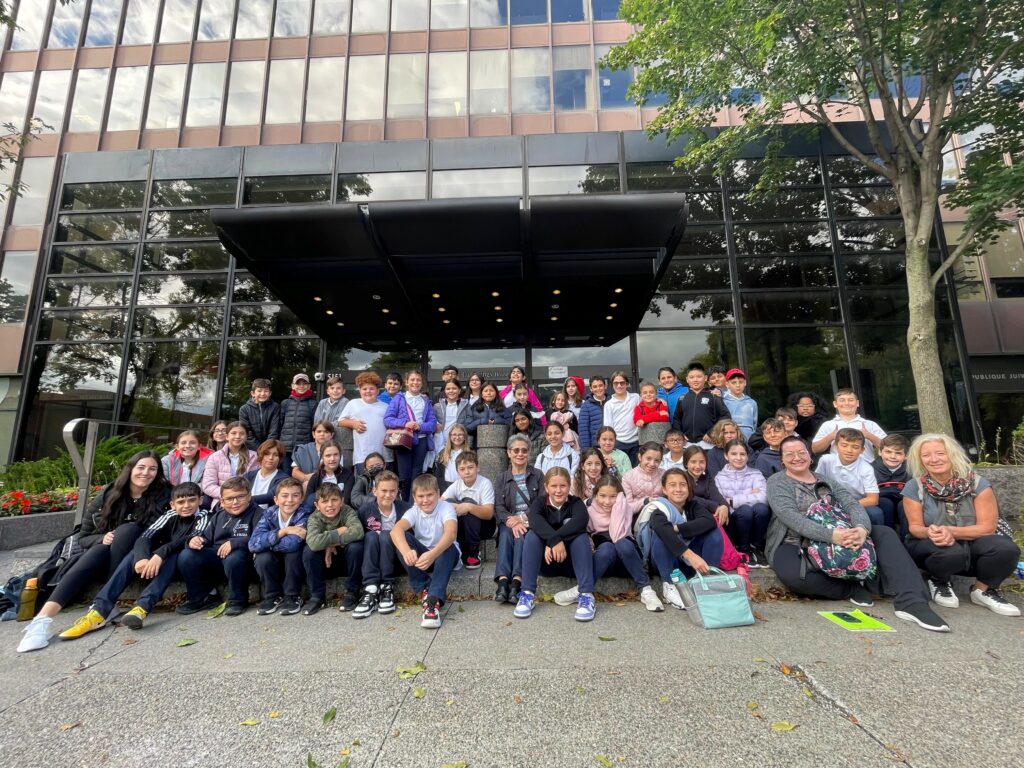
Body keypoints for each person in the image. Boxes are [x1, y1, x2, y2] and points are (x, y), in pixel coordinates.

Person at [766, 435, 949, 632]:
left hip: (844, 532)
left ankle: (913, 602)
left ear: (810, 456)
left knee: (885, 533)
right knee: (794, 577)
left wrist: (861, 529)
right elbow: (790, 516)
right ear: (782, 459)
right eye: (789, 454)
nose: (796, 457)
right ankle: (851, 588)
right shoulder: (777, 481)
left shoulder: (826, 480)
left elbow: (852, 504)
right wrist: (832, 536)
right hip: (795, 540)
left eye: (801, 452)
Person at [17, 453, 172, 652]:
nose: (146, 473)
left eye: (152, 469)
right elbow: (83, 537)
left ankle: (104, 604)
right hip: (103, 558)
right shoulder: (110, 494)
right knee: (98, 550)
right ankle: (42, 622)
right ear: (131, 468)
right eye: (141, 467)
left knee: (127, 530)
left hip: (138, 559)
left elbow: (159, 533)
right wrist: (103, 538)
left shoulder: (164, 495)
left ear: (158, 473)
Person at [55, 482, 210, 641]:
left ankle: (142, 607)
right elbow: (146, 536)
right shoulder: (169, 515)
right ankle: (98, 612)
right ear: (172, 504)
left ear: (200, 500)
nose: (186, 505)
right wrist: (142, 557)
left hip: (182, 564)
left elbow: (189, 538)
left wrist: (159, 554)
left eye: (191, 500)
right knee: (132, 555)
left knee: (174, 554)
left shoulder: (205, 515)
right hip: (158, 561)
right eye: (181, 502)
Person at [902, 433, 1021, 617]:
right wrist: (930, 531)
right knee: (949, 550)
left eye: (940, 453)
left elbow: (987, 528)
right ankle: (939, 581)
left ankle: (983, 590)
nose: (934, 459)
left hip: (973, 543)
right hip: (933, 544)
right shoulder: (914, 487)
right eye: (926, 455)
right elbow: (915, 528)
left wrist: (951, 531)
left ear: (952, 454)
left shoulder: (978, 484)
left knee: (1006, 549)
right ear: (920, 460)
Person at [554, 475, 664, 612]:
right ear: (595, 495)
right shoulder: (589, 512)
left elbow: (617, 535)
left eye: (613, 496)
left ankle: (646, 589)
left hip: (628, 560)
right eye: (602, 496)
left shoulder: (624, 508)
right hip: (605, 561)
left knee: (622, 544)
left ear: (619, 496)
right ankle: (584, 588)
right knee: (607, 548)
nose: (607, 501)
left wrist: (619, 504)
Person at [513, 468, 597, 622]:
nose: (558, 490)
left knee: (581, 537)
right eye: (554, 486)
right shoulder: (539, 503)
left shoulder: (576, 503)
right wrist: (553, 541)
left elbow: (580, 521)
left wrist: (554, 541)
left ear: (569, 486)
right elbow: (535, 521)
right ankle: (527, 594)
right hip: (546, 563)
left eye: (563, 486)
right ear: (546, 487)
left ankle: (586, 595)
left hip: (572, 563)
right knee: (532, 535)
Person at [634, 468, 723, 610]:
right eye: (672, 485)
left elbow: (709, 521)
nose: (678, 489)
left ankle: (708, 580)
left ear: (688, 487)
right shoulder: (658, 508)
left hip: (691, 566)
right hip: (665, 563)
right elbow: (661, 529)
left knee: (714, 533)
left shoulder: (692, 505)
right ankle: (668, 586)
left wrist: (677, 528)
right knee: (661, 535)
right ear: (664, 489)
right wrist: (690, 555)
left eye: (682, 484)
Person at [176, 476, 261, 617]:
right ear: (222, 501)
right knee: (187, 555)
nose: (235, 502)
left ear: (249, 497)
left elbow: (261, 538)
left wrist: (236, 542)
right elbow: (206, 538)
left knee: (235, 557)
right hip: (218, 559)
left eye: (240, 497)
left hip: (243, 561)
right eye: (229, 499)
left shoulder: (258, 513)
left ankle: (237, 601)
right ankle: (201, 597)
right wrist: (195, 540)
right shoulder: (218, 516)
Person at [391, 473, 461, 629]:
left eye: (430, 495)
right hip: (425, 559)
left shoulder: (446, 508)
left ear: (437, 493)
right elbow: (395, 530)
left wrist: (433, 554)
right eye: (421, 496)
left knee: (448, 545)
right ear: (414, 498)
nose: (425, 500)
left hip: (445, 556)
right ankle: (424, 587)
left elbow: (451, 533)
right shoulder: (414, 510)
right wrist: (406, 551)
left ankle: (432, 601)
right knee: (403, 541)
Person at [493, 435, 545, 603]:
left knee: (522, 536)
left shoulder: (537, 475)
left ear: (528, 453)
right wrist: (511, 520)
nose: (520, 454)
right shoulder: (502, 478)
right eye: (516, 450)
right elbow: (499, 507)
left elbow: (542, 503)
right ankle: (502, 582)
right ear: (509, 453)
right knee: (506, 534)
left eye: (524, 450)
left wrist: (522, 518)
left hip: (532, 520)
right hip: (509, 521)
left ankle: (517, 581)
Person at [249, 477, 311, 617]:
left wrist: (265, 545)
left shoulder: (305, 514)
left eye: (295, 496)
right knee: (262, 557)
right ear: (276, 500)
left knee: (293, 553)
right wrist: (284, 531)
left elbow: (292, 544)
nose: (289, 500)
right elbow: (253, 544)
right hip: (274, 560)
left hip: (294, 560)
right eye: (285, 496)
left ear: (301, 499)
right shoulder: (269, 514)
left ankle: (293, 596)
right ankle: (273, 596)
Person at [353, 470, 408, 618]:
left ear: (397, 491)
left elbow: (411, 536)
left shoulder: (405, 509)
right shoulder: (365, 510)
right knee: (370, 536)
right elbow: (357, 533)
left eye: (392, 491)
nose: (388, 495)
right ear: (374, 491)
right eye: (384, 490)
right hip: (373, 560)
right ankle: (370, 588)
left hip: (396, 558)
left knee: (385, 535)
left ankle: (386, 587)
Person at [305, 482, 364, 614]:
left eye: (334, 500)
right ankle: (317, 596)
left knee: (356, 547)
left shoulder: (347, 511)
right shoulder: (314, 518)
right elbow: (314, 542)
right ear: (317, 505)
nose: (330, 505)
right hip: (325, 565)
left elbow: (358, 531)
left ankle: (352, 593)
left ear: (342, 501)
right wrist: (339, 531)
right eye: (324, 501)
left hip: (346, 561)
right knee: (309, 551)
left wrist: (331, 543)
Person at [714, 439, 770, 567]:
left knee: (761, 508)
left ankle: (756, 546)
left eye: (742, 454)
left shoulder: (756, 474)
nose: (738, 458)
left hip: (754, 521)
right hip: (733, 522)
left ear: (747, 456)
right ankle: (742, 548)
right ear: (726, 456)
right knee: (745, 510)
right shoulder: (719, 478)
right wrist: (750, 494)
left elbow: (764, 498)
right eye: (734, 454)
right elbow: (723, 503)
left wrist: (734, 500)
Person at [383, 370, 437, 502]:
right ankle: (405, 505)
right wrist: (405, 423)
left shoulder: (426, 401)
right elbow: (387, 419)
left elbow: (432, 424)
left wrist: (420, 426)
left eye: (418, 380)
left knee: (417, 475)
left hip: (422, 440)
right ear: (407, 382)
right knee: (404, 476)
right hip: (404, 441)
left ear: (422, 383)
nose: (415, 382)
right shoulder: (399, 398)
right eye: (412, 380)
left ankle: (415, 506)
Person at [815, 428, 886, 527]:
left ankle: (875, 537)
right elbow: (816, 484)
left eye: (855, 447)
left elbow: (873, 499)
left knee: (875, 513)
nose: (849, 450)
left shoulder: (866, 468)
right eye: (844, 445)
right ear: (835, 447)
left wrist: (845, 505)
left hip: (858, 502)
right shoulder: (825, 461)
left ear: (862, 450)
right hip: (830, 501)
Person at [442, 451, 495, 570]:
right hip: (465, 527)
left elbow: (489, 513)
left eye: (470, 467)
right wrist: (457, 506)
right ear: (457, 472)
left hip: (485, 526)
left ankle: (474, 551)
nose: (467, 471)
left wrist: (468, 507)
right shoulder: (457, 484)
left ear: (478, 468)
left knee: (468, 503)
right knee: (449, 502)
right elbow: (441, 502)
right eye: (462, 469)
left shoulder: (485, 483)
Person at [811, 388, 887, 461]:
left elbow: (888, 447)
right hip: (837, 470)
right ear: (835, 404)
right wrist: (831, 436)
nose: (846, 403)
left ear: (857, 403)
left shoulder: (870, 424)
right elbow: (815, 449)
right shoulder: (828, 425)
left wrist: (869, 435)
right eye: (842, 400)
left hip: (866, 468)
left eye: (850, 400)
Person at [338, 371, 388, 474]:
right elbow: (340, 421)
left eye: (371, 388)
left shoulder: (385, 407)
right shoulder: (353, 404)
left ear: (378, 391)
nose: (368, 391)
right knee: (365, 484)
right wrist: (353, 424)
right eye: (364, 389)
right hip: (362, 456)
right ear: (360, 391)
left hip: (384, 455)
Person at [671, 362, 730, 447]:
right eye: (691, 377)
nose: (695, 380)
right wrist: (679, 434)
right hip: (687, 444)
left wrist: (712, 432)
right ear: (687, 379)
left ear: (705, 378)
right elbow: (676, 419)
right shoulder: (682, 398)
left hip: (709, 444)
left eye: (699, 377)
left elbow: (725, 416)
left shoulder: (713, 395)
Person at [202, 421, 258, 504]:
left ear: (246, 437)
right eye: (234, 433)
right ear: (227, 436)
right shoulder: (215, 457)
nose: (237, 436)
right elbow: (208, 485)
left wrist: (241, 497)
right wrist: (228, 496)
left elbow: (255, 484)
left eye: (242, 433)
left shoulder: (254, 457)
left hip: (245, 501)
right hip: (222, 501)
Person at [279, 373, 317, 471]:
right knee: (286, 477)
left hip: (303, 449)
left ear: (309, 386)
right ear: (293, 386)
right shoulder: (285, 403)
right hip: (286, 448)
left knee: (300, 476)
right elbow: (280, 424)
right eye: (298, 383)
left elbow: (315, 427)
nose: (301, 386)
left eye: (304, 383)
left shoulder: (313, 404)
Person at [874, 434, 910, 533]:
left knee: (905, 503)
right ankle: (889, 534)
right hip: (882, 503)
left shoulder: (911, 470)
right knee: (886, 503)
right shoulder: (870, 469)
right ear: (880, 452)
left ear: (906, 456)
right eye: (888, 452)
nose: (892, 456)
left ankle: (906, 538)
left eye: (898, 453)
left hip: (902, 503)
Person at [683, 445, 729, 523]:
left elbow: (716, 495)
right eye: (693, 462)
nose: (698, 466)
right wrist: (715, 506)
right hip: (690, 515)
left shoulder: (707, 478)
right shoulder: (681, 477)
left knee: (725, 514)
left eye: (701, 462)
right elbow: (690, 497)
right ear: (686, 463)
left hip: (708, 513)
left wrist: (724, 505)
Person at [604, 371, 641, 465]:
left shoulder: (636, 397)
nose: (619, 386)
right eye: (616, 383)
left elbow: (649, 404)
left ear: (627, 384)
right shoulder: (609, 404)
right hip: (618, 444)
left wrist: (660, 401)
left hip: (635, 443)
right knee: (620, 473)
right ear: (612, 385)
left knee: (634, 472)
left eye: (622, 383)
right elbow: (608, 427)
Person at [304, 442, 354, 508]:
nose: (332, 459)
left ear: (340, 455)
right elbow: (308, 501)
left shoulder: (348, 475)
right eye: (328, 455)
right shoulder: (316, 477)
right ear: (322, 457)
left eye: (336, 454)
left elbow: (346, 500)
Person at [291, 421, 338, 490]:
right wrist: (306, 478)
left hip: (329, 487)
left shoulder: (336, 452)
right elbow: (294, 472)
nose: (322, 434)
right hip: (306, 487)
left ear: (332, 435)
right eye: (319, 431)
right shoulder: (303, 449)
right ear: (313, 434)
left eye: (326, 432)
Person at [238, 377, 282, 451]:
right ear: (253, 393)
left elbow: (274, 430)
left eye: (266, 391)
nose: (263, 394)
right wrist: (259, 449)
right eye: (259, 391)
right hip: (250, 449)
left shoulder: (275, 407)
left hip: (270, 448)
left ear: (270, 393)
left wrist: (266, 448)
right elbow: (246, 432)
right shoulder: (244, 409)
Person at [244, 439, 290, 509]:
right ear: (260, 455)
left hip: (268, 516)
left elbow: (269, 496)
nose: (271, 458)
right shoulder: (249, 475)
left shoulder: (284, 479)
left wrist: (243, 500)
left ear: (280, 458)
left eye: (275, 455)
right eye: (267, 454)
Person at [621, 442, 665, 514]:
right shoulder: (628, 477)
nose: (652, 464)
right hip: (638, 515)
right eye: (648, 458)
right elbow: (627, 508)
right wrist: (645, 501)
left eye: (657, 460)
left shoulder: (664, 475)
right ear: (640, 457)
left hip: (662, 512)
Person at [721, 369, 758, 439]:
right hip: (729, 441)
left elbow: (754, 424)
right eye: (734, 382)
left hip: (748, 441)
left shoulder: (752, 403)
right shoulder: (722, 401)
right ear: (727, 384)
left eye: (741, 382)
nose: (738, 385)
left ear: (745, 383)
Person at [434, 379, 469, 450]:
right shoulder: (437, 406)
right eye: (448, 389)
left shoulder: (467, 406)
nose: (451, 391)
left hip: (459, 443)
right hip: (441, 443)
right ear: (444, 391)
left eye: (454, 388)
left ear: (459, 390)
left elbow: (469, 425)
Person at [434, 423, 469, 493]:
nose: (457, 437)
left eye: (460, 434)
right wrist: (443, 490)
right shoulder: (443, 453)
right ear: (450, 436)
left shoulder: (469, 454)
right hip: (446, 487)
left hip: (464, 487)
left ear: (465, 436)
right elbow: (439, 475)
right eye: (454, 434)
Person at [578, 375, 607, 449]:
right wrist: (586, 450)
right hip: (595, 447)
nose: (598, 389)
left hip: (611, 445)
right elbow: (583, 430)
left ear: (605, 386)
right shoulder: (586, 406)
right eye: (595, 386)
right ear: (591, 389)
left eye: (600, 385)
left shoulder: (612, 402)